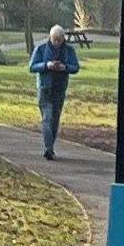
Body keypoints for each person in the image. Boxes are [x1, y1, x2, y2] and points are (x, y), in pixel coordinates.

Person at [27, 25, 80, 158]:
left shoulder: (69, 51)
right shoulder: (41, 49)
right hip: (45, 88)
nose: (57, 42)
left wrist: (64, 67)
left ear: (63, 38)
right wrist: (47, 65)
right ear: (50, 37)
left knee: (55, 119)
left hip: (59, 88)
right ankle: (48, 148)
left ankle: (50, 147)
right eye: (54, 39)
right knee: (46, 118)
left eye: (59, 39)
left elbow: (75, 67)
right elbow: (32, 66)